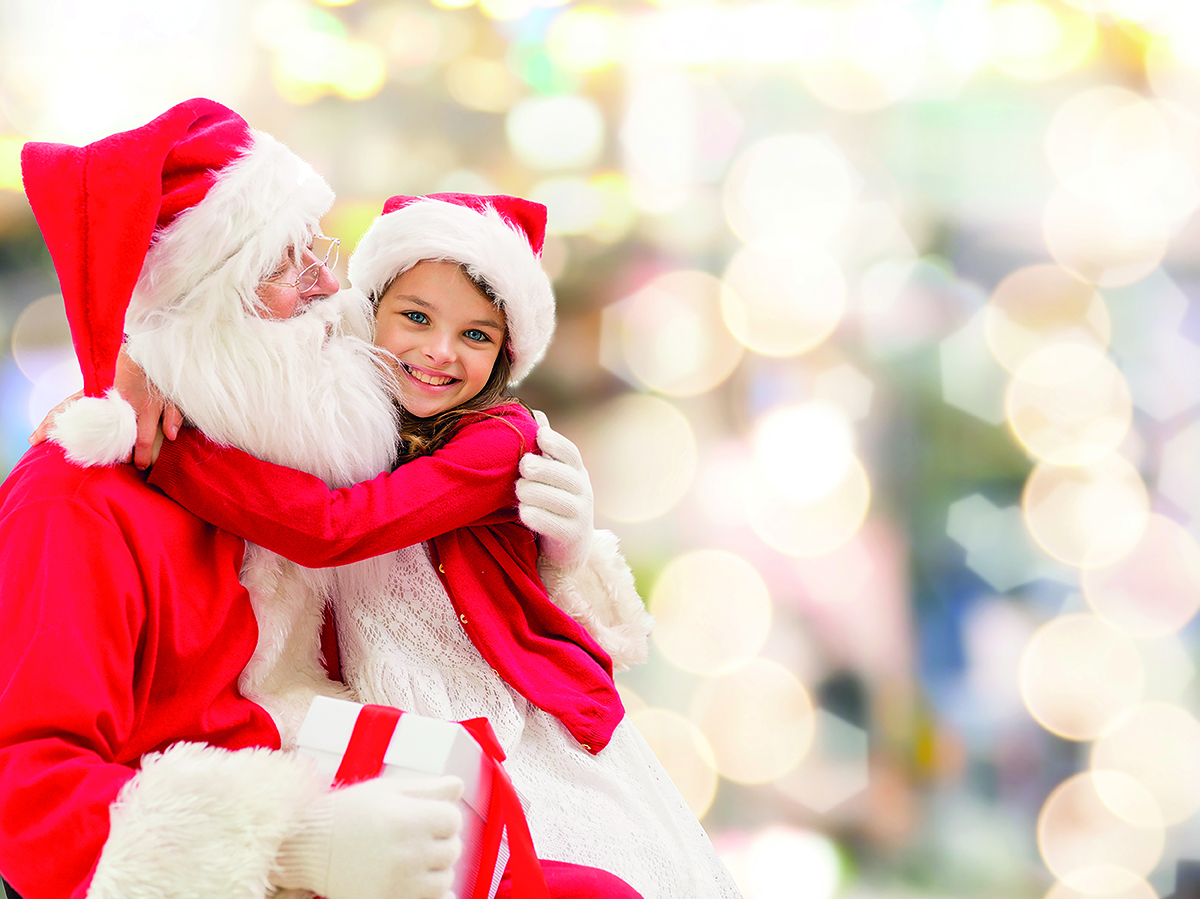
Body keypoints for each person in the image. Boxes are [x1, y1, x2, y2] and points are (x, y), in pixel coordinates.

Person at [1, 99, 648, 899]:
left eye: (321, 249)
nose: (328, 284)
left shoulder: (285, 453)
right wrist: (293, 850)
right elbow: (25, 797)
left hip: (370, 786)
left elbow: (445, 601)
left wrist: (567, 557)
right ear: (206, 302)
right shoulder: (80, 498)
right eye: (286, 261)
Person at [137, 192, 742, 898]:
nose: (439, 351)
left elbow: (339, 527)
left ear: (506, 355)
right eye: (416, 317)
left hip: (503, 718)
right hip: (394, 719)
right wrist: (158, 377)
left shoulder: (497, 441)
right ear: (370, 311)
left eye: (476, 335)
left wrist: (172, 454)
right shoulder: (352, 414)